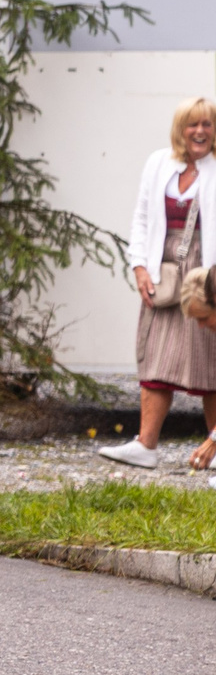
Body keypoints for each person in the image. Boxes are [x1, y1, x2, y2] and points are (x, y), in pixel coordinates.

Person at [101, 98, 216, 472]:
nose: (200, 131)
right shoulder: (158, 163)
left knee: (210, 357)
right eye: (192, 124)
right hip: (164, 268)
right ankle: (145, 445)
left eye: (207, 125)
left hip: (206, 269)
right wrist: (139, 266)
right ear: (180, 129)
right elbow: (141, 217)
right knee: (155, 354)